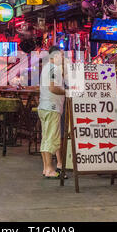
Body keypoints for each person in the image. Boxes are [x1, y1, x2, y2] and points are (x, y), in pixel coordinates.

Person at [38, 46, 66, 179]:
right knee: (51, 139)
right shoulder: (54, 68)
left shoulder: (46, 67)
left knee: (46, 138)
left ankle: (45, 168)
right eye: (61, 55)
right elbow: (53, 88)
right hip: (52, 107)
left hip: (44, 107)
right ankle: (49, 169)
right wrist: (67, 92)